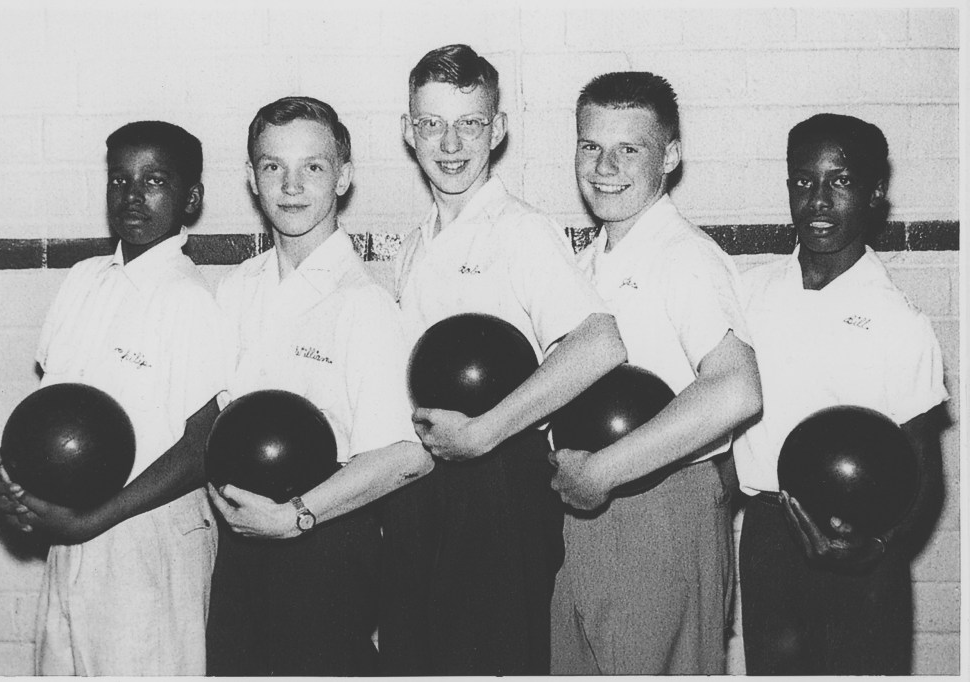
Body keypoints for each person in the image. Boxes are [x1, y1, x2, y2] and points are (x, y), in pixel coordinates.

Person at [377, 44, 626, 676]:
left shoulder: (520, 229)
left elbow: (599, 343)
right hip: (423, 489)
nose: (451, 143)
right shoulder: (412, 246)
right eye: (432, 124)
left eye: (470, 123)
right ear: (409, 132)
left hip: (498, 493)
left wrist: (486, 433)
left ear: (499, 129)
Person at [0, 121, 226, 675]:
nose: (132, 197)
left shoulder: (189, 300)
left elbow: (203, 445)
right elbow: (51, 419)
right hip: (72, 534)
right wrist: (12, 476)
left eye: (154, 180)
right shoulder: (83, 281)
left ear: (191, 198)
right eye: (120, 180)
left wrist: (94, 520)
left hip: (147, 540)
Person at [204, 96, 432, 676]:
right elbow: (213, 428)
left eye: (313, 167)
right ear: (252, 179)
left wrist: (296, 516)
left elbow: (408, 456)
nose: (291, 184)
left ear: (343, 178)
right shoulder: (233, 292)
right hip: (238, 547)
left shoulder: (364, 305)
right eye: (273, 166)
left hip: (323, 546)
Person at [548, 72, 763, 675]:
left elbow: (737, 387)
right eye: (591, 146)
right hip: (584, 503)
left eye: (630, 149)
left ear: (669, 156)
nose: (605, 165)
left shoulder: (684, 256)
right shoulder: (588, 260)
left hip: (657, 506)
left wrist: (604, 471)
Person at [733, 113, 947, 675]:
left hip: (860, 547)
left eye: (840, 181)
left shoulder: (900, 321)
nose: (819, 200)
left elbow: (925, 472)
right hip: (768, 536)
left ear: (876, 193)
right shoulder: (748, 296)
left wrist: (876, 548)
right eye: (803, 181)